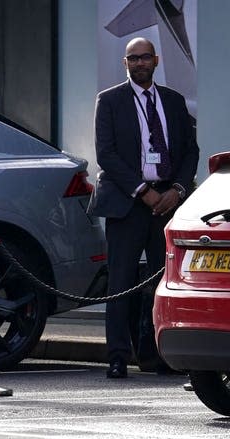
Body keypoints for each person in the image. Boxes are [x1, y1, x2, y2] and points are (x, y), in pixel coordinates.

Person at [88, 37, 198, 378]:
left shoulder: (174, 101)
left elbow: (190, 151)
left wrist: (177, 190)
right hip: (127, 202)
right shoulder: (109, 101)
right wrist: (142, 191)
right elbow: (106, 154)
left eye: (145, 58)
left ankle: (158, 356)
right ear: (125, 63)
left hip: (168, 202)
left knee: (164, 280)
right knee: (120, 281)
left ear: (156, 60)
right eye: (132, 59)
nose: (139, 63)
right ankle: (118, 356)